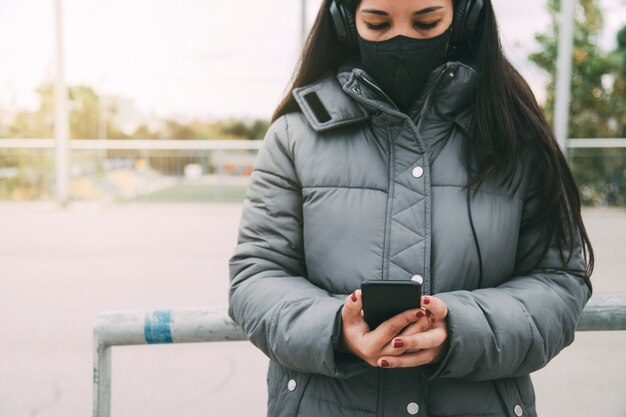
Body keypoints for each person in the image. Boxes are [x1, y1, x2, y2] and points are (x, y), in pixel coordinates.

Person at [228, 0, 595, 416]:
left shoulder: (515, 135)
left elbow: (558, 282)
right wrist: (335, 330)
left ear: (466, 17)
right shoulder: (293, 137)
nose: (400, 41)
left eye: (426, 22)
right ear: (345, 22)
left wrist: (461, 328)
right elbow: (256, 276)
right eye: (377, 23)